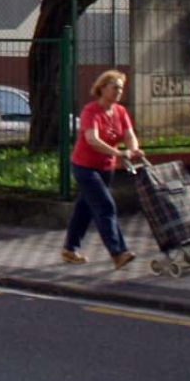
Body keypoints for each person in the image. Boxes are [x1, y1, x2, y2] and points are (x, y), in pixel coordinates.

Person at [62, 70, 142, 269]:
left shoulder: (120, 112)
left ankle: (69, 249)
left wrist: (133, 149)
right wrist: (119, 153)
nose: (118, 92)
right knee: (106, 206)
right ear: (102, 88)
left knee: (85, 208)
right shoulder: (91, 111)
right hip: (84, 167)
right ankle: (118, 253)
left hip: (105, 167)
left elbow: (129, 134)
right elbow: (92, 139)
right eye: (115, 87)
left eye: (121, 88)